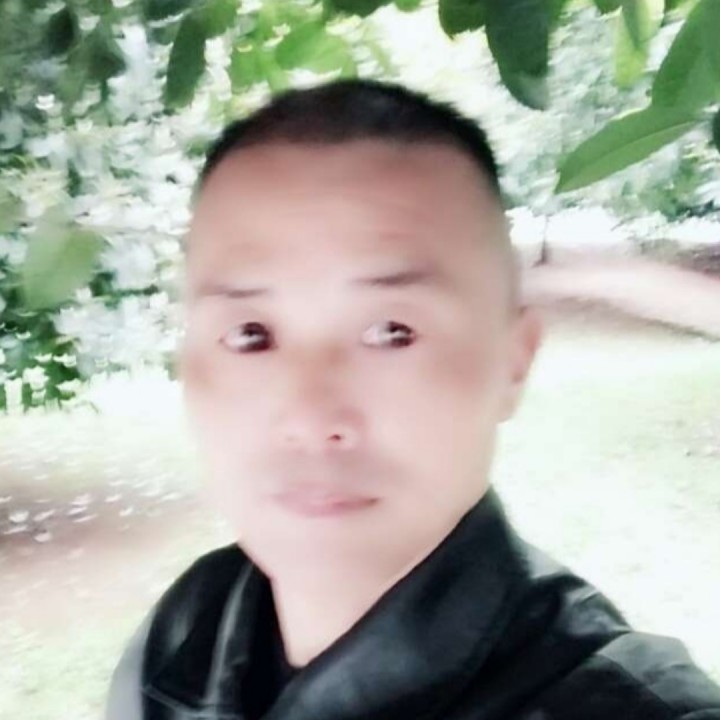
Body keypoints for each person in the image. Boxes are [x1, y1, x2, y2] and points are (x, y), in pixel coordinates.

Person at [105, 78, 720, 720]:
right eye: (250, 335)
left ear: (513, 363)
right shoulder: (188, 628)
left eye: (391, 332)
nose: (311, 418)